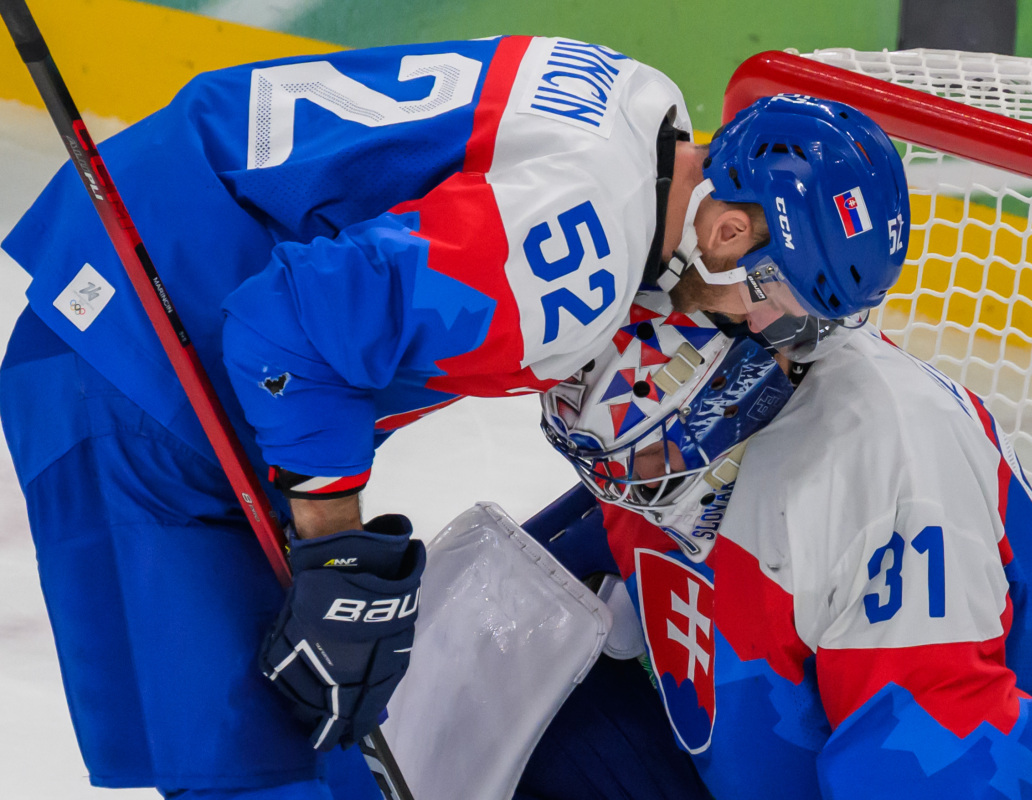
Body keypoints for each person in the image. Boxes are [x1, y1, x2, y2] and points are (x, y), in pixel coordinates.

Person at [0, 24, 908, 795]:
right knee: (257, 763)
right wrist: (336, 560)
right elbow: (286, 329)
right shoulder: (582, 256)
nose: (765, 326)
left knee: (295, 743)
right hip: (135, 366)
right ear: (728, 230)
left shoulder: (644, 108)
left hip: (149, 302)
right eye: (777, 298)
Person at [529, 282, 1032, 799]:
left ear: (726, 396)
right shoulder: (667, 420)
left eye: (641, 453)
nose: (617, 482)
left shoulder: (883, 477)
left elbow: (933, 761)